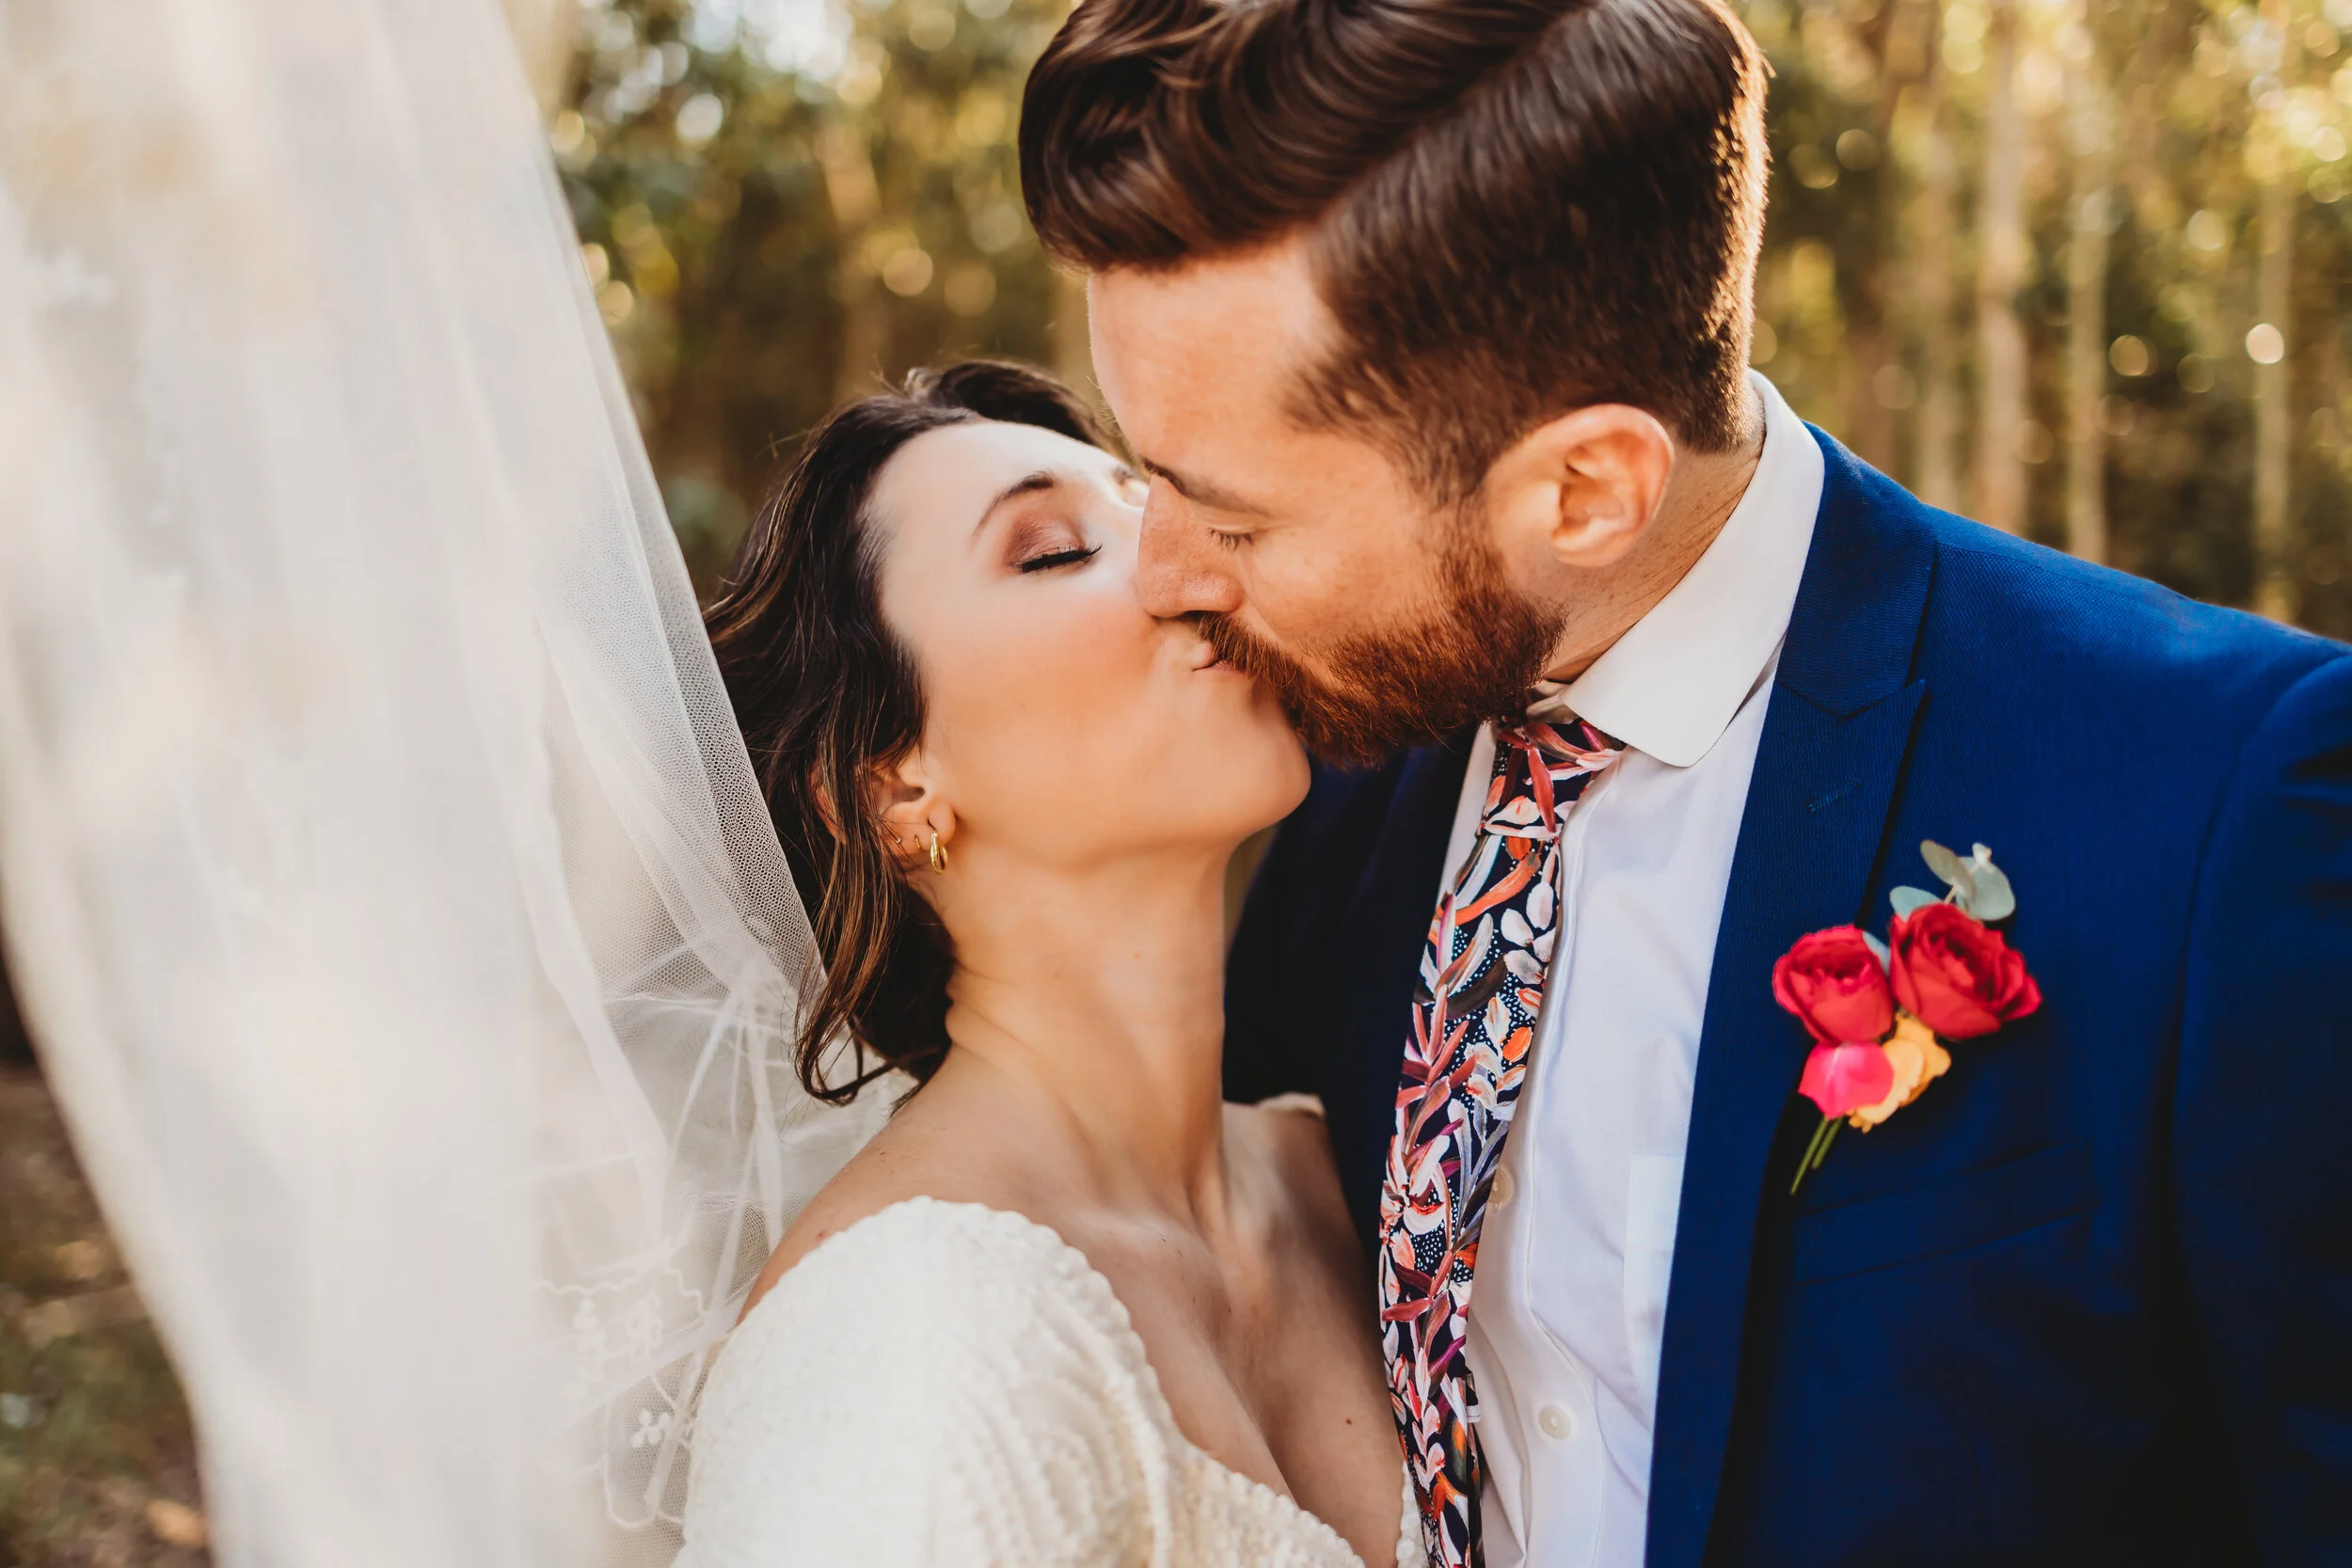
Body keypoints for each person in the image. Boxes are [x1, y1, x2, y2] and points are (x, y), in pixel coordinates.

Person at [1013, 0, 2352, 1564]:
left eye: (1235, 519)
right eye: (1144, 470)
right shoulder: (1324, 762)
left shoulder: (2221, 797)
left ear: (1587, 488)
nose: (1166, 574)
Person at [675, 361, 1420, 1567]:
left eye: (1156, 504)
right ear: (892, 785)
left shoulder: (1345, 1172)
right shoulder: (901, 1356)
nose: (1188, 560)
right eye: (1054, 551)